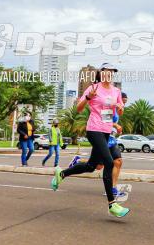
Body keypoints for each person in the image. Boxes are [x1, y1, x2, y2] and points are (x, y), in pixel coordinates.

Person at [51, 63, 129, 217]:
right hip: (93, 129)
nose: (110, 74)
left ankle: (62, 174)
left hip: (106, 131)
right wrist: (88, 98)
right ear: (101, 73)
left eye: (112, 72)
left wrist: (120, 110)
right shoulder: (93, 88)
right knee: (109, 162)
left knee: (92, 166)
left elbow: (112, 112)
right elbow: (78, 109)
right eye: (107, 71)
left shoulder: (116, 91)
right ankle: (112, 204)